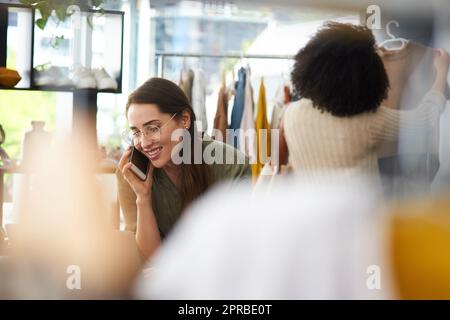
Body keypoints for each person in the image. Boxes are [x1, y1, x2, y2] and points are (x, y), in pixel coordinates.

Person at [283, 22, 449, 185]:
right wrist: (441, 72)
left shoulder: (290, 113)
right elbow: (424, 118)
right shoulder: (367, 121)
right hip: (360, 210)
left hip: (309, 209)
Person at [116, 77, 251, 260]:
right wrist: (143, 198)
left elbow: (239, 249)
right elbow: (149, 261)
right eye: (136, 132)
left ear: (184, 120)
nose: (144, 143)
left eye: (153, 128)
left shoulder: (231, 166)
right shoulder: (131, 174)